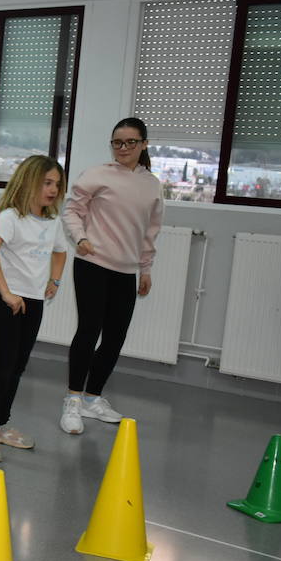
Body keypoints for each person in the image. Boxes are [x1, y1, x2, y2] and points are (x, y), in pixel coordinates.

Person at [60, 116, 164, 434]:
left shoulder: (152, 185)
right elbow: (72, 210)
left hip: (126, 271)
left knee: (115, 337)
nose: (123, 148)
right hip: (93, 264)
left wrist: (145, 269)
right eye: (117, 142)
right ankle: (73, 402)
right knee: (89, 331)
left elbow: (150, 232)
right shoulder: (97, 175)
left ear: (144, 144)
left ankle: (93, 399)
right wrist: (80, 238)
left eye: (131, 142)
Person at [0, 155, 67, 462]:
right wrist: (6, 292)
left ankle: (2, 425)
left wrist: (54, 280)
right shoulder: (11, 217)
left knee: (18, 365)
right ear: (29, 182)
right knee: (4, 363)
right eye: (46, 183)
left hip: (34, 300)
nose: (52, 189)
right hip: (7, 301)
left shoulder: (52, 222)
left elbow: (60, 253)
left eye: (56, 184)